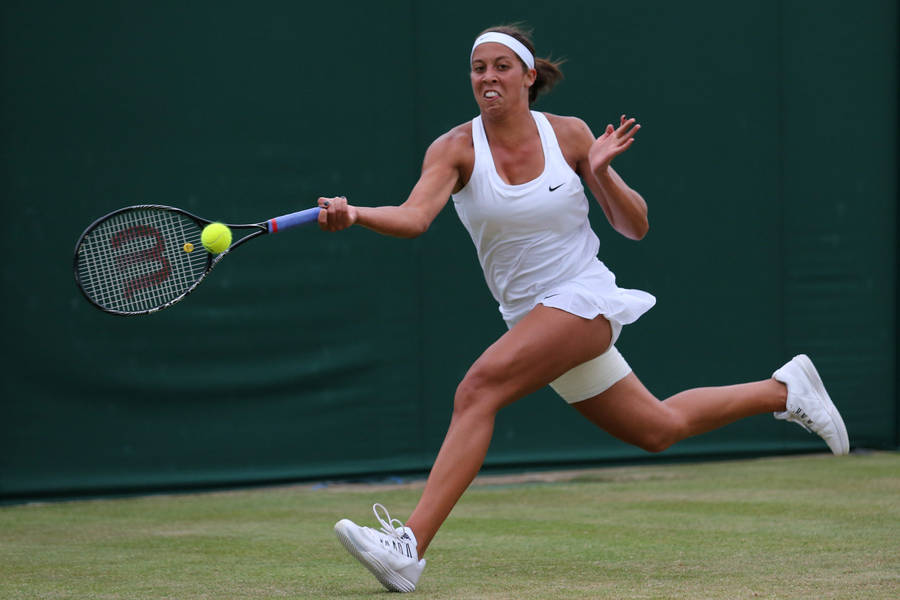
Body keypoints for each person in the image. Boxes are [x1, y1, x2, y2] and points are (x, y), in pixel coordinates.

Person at [320, 25, 850, 593]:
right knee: (658, 428)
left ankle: (408, 546)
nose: (488, 78)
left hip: (582, 301)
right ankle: (785, 390)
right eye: (479, 68)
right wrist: (358, 215)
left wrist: (598, 171)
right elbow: (414, 216)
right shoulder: (454, 148)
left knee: (477, 391)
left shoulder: (569, 136)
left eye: (502, 66)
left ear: (528, 76)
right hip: (531, 320)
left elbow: (635, 226)